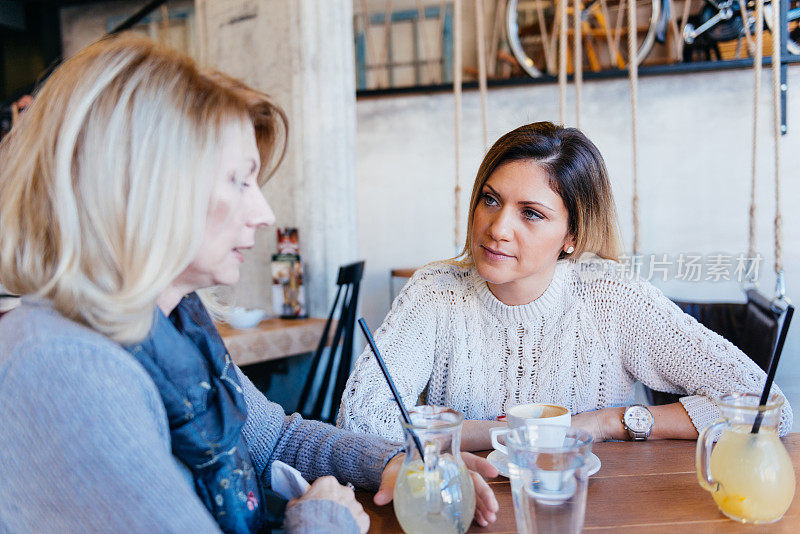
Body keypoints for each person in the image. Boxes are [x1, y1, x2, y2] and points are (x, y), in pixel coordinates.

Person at [0, 35, 498, 532]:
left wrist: (394, 461)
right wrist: (325, 519)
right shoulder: (64, 365)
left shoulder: (175, 324)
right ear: (147, 189)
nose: (264, 214)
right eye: (240, 180)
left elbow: (277, 439)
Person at [338, 122, 793, 450]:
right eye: (490, 200)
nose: (497, 228)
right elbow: (359, 422)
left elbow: (765, 405)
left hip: (589, 510)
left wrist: (604, 423)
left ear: (572, 237)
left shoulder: (612, 296)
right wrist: (510, 434)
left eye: (531, 213)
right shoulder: (434, 292)